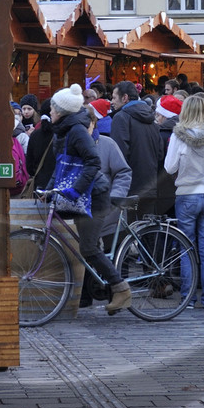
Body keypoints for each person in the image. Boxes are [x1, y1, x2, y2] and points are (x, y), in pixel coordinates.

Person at [37, 84, 131, 314]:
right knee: (87, 245)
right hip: (81, 194)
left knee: (88, 248)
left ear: (62, 111)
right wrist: (48, 191)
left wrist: (76, 190)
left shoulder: (77, 131)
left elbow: (93, 163)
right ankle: (96, 286)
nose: (50, 112)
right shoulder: (63, 130)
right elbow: (61, 166)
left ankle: (121, 290)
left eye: (53, 108)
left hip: (94, 195)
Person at [164, 95, 204, 310]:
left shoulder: (178, 136)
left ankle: (188, 299)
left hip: (186, 195)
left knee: (186, 248)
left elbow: (169, 167)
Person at [78, 107, 134, 310]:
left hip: (109, 209)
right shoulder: (75, 145)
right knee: (86, 250)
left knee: (113, 253)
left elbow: (123, 172)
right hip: (86, 210)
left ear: (93, 124)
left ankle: (117, 297)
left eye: (86, 125)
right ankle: (84, 296)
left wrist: (115, 196)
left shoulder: (107, 144)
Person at [109, 81, 164, 218]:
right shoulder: (152, 120)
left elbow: (119, 154)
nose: (111, 102)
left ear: (125, 97)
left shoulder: (121, 117)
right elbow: (160, 153)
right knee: (147, 231)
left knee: (131, 231)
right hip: (150, 185)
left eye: (114, 97)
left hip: (129, 187)